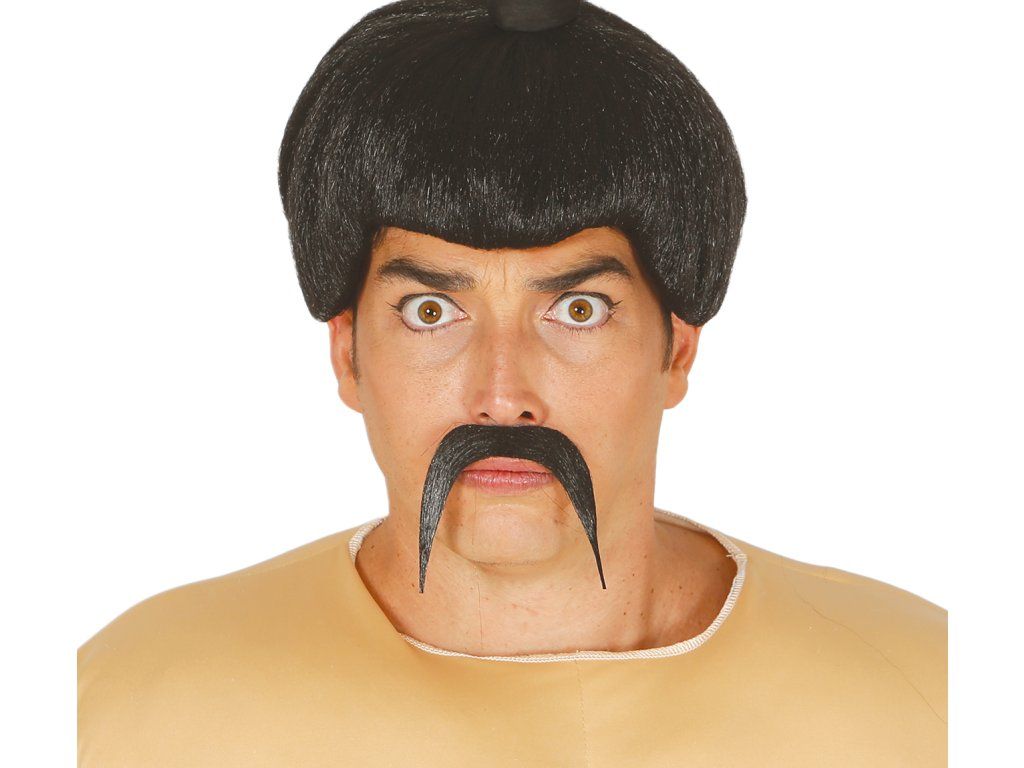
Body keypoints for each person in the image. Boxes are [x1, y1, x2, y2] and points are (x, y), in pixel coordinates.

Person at [78, 1, 947, 765]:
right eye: (430, 312)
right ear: (347, 354)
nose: (501, 395)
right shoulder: (131, 707)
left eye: (577, 310)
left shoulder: (928, 698)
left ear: (676, 349)